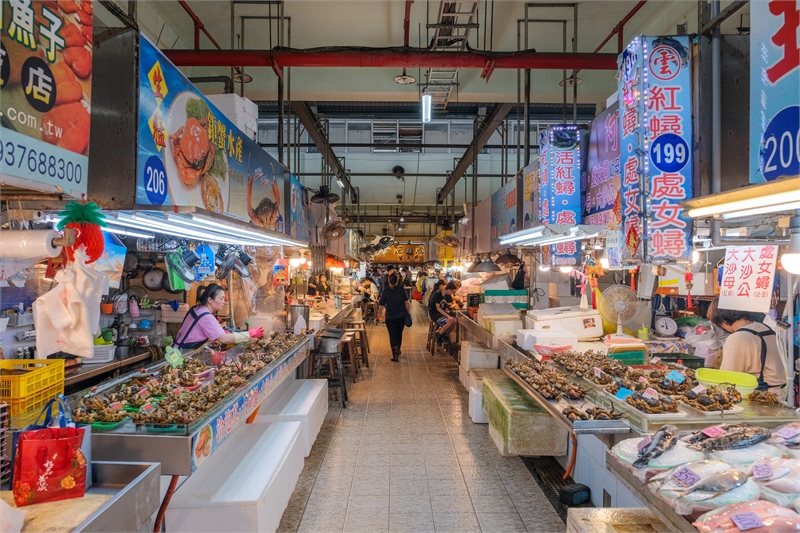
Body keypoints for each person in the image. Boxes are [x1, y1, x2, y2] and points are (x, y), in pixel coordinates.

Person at [709, 298, 786, 392]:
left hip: (759, 397)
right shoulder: (763, 327)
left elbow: (728, 378)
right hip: (780, 392)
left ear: (723, 322)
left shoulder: (737, 338)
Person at [173, 283, 264, 349]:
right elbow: (224, 339)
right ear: (210, 300)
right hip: (181, 354)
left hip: (174, 350)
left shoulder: (196, 309)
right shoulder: (207, 317)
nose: (223, 302)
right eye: (221, 298)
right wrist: (249, 334)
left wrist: (221, 331)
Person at [379, 272, 410, 362]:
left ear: (389, 281)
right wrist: (408, 313)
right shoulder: (401, 290)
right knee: (399, 334)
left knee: (392, 335)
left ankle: (395, 355)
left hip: (390, 317)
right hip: (401, 316)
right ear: (397, 281)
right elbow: (407, 303)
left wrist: (379, 313)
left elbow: (381, 304)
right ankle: (398, 350)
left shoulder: (386, 291)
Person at [430, 281, 458, 347]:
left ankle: (443, 334)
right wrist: (448, 316)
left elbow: (450, 303)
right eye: (453, 292)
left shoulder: (447, 295)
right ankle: (439, 336)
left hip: (442, 314)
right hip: (434, 314)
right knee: (450, 321)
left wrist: (449, 307)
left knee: (455, 320)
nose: (452, 294)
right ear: (449, 289)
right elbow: (438, 308)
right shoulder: (437, 294)